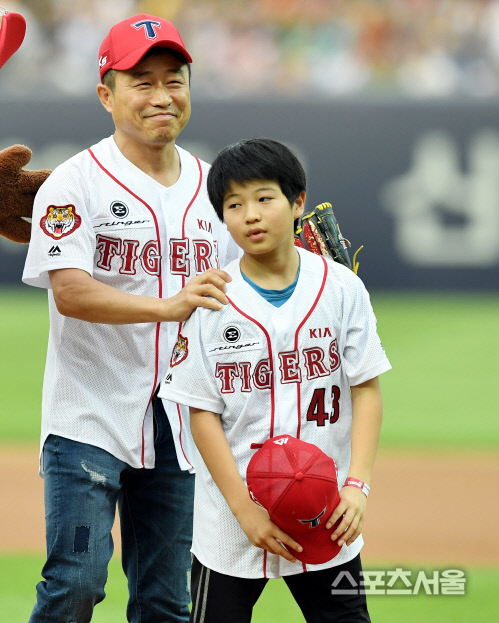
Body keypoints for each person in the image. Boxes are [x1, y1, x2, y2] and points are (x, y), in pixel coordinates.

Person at [22, 14, 239, 623]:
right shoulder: (73, 182)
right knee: (75, 585)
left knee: (166, 603)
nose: (162, 95)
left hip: (180, 420)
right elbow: (71, 292)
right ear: (106, 95)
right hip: (87, 413)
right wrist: (166, 307)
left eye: (175, 79)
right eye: (141, 81)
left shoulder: (213, 186)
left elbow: (238, 297)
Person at [159, 138, 392, 622]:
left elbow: (366, 387)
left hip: (325, 511)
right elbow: (200, 413)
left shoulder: (341, 287)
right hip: (230, 522)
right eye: (234, 204)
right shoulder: (212, 299)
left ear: (297, 202)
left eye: (265, 198)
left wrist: (358, 486)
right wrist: (244, 510)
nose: (250, 215)